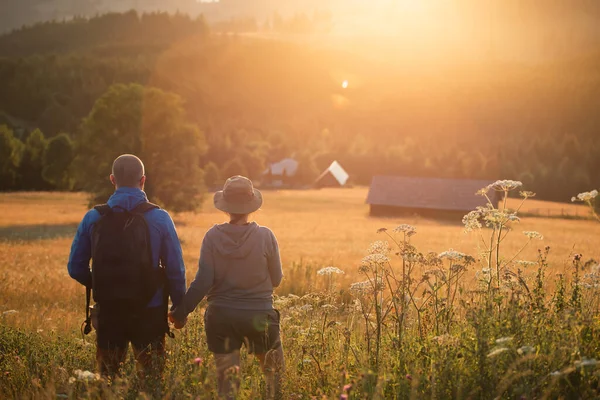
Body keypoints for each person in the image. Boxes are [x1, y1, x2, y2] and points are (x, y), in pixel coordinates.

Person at [67, 154, 186, 386]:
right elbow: (175, 269)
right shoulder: (160, 218)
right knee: (152, 381)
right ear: (143, 180)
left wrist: (102, 283)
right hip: (149, 311)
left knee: (107, 380)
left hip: (109, 311)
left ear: (112, 179)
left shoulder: (93, 217)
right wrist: (179, 308)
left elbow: (75, 267)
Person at [169, 175, 285, 400]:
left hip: (221, 317)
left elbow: (202, 281)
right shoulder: (265, 236)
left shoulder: (212, 236)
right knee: (274, 379)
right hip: (259, 316)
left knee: (227, 386)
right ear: (251, 206)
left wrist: (180, 312)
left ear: (226, 207)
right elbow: (277, 280)